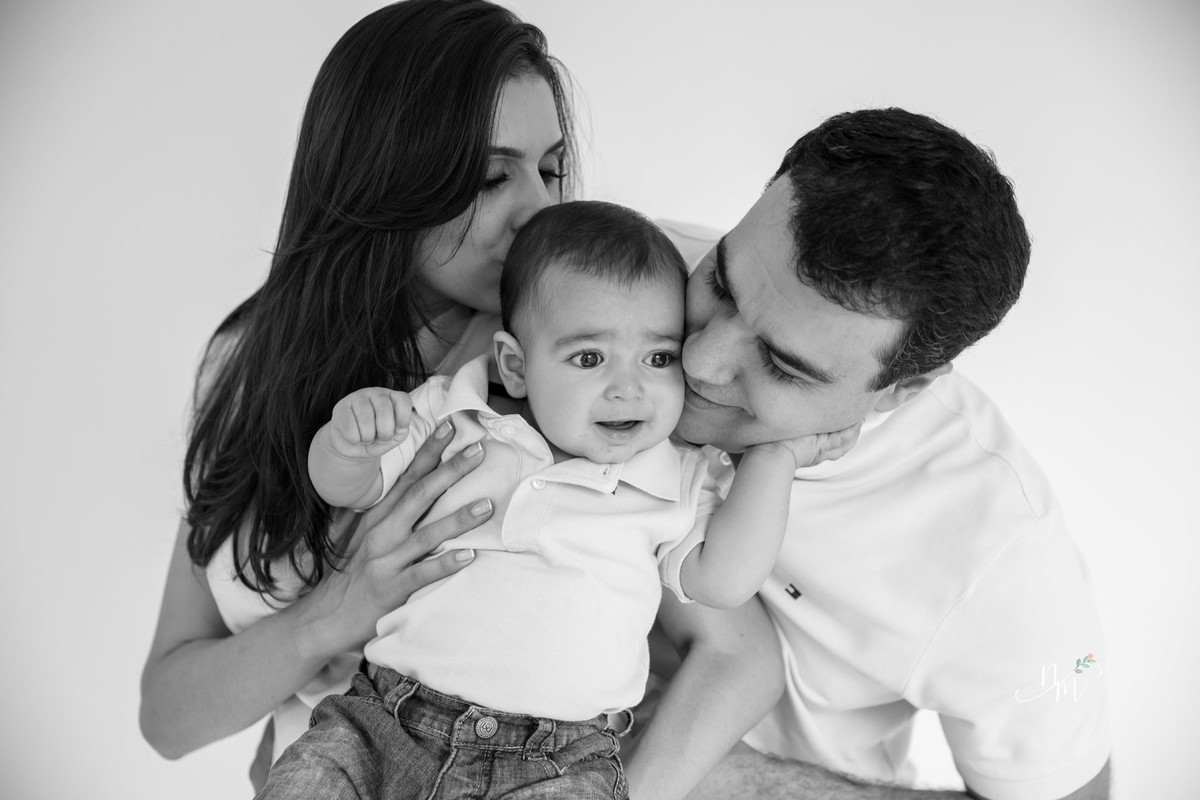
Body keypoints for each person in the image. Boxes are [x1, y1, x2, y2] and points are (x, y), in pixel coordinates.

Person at [138, 0, 632, 788]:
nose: (540, 209)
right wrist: (336, 611)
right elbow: (167, 714)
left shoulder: (570, 363)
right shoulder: (252, 358)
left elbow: (717, 650)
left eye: (550, 169)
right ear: (385, 177)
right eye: (490, 176)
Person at [258, 200, 853, 799]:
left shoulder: (675, 475)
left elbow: (723, 581)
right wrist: (349, 441)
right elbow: (349, 489)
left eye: (659, 358)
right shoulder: (453, 415)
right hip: (388, 722)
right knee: (308, 782)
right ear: (516, 367)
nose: (629, 387)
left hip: (559, 762)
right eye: (589, 358)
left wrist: (775, 461)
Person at [622, 108, 1111, 800]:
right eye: (720, 285)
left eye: (782, 366)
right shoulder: (623, 273)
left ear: (901, 390)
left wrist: (732, 783)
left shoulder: (998, 556)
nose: (699, 361)